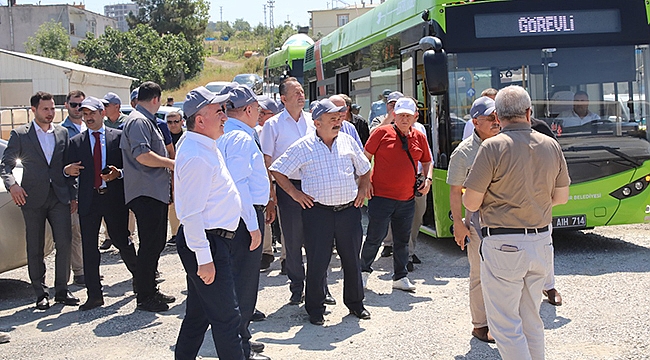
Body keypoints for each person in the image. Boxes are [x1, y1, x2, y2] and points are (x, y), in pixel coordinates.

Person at [462, 85, 570, 360]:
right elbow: (561, 197)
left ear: (497, 116)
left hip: (503, 243)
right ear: (528, 112)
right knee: (531, 318)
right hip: (541, 240)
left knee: (505, 324)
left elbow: (471, 203)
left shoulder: (492, 147)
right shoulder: (551, 145)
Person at [270, 99, 372, 326]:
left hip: (349, 211)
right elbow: (277, 169)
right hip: (318, 214)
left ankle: (356, 304)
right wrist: (295, 195)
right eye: (332, 118)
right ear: (317, 122)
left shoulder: (347, 141)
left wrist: (364, 187)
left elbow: (365, 168)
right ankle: (315, 309)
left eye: (339, 117)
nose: (338, 122)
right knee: (317, 261)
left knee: (352, 260)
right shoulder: (303, 146)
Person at [174, 86, 246, 360]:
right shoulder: (196, 155)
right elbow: (191, 214)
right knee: (227, 318)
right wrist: (204, 258)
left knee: (198, 314)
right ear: (200, 120)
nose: (225, 116)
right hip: (206, 242)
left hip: (211, 240)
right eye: (219, 111)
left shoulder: (203, 145)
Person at [0, 91, 79, 310]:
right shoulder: (20, 134)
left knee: (64, 242)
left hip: (59, 197)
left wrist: (73, 195)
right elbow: (5, 165)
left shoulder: (62, 133)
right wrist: (12, 185)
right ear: (33, 110)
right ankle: (40, 292)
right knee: (34, 246)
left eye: (53, 108)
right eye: (46, 109)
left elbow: (69, 167)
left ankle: (62, 290)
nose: (50, 113)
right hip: (32, 198)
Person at [64, 97, 138, 311]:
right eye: (84, 114)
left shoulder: (118, 137)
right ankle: (94, 295)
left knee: (121, 240)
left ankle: (140, 278)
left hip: (113, 198)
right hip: (89, 200)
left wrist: (119, 174)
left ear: (102, 114)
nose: (87, 118)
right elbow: (67, 171)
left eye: (92, 113)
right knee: (89, 247)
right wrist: (67, 171)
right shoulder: (76, 142)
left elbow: (130, 167)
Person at [216, 84, 270, 360]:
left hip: (234, 215)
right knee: (244, 283)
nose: (260, 111)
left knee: (237, 281)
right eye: (257, 107)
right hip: (243, 215)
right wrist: (252, 225)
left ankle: (241, 338)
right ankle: (240, 346)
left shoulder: (228, 133)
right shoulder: (240, 138)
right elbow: (239, 186)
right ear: (248, 109)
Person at [360, 97, 432, 292]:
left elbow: (427, 161)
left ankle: (400, 277)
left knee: (402, 239)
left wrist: (428, 179)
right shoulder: (381, 133)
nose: (404, 119)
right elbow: (364, 158)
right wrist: (364, 181)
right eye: (401, 115)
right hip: (381, 196)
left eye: (408, 116)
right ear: (394, 115)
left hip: (406, 198)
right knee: (375, 236)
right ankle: (363, 272)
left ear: (415, 117)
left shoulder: (419, 136)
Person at [447, 96, 501, 343]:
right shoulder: (463, 153)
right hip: (478, 224)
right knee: (479, 274)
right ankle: (480, 325)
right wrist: (458, 224)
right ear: (476, 122)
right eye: (490, 118)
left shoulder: (505, 143)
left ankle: (502, 322)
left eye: (498, 116)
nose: (496, 122)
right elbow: (455, 190)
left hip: (504, 221)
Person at [120, 81, 176, 312]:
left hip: (153, 191)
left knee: (154, 244)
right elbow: (143, 155)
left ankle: (150, 290)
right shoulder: (139, 121)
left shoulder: (143, 120)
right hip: (146, 191)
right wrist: (173, 164)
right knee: (150, 245)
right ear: (156, 99)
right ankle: (144, 296)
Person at [259, 77, 314, 305]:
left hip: (314, 187)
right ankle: (296, 286)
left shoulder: (313, 121)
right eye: (296, 92)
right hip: (287, 187)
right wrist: (272, 195)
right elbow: (267, 161)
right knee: (292, 241)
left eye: (302, 91)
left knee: (317, 240)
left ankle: (318, 287)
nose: (301, 95)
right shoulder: (273, 125)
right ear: (283, 99)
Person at [60, 90, 86, 286]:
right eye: (74, 104)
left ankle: (89, 268)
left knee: (89, 232)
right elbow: (60, 165)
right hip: (74, 189)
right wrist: (71, 195)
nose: (78, 108)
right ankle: (80, 271)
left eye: (81, 105)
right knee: (76, 231)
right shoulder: (61, 131)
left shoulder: (91, 126)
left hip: (93, 188)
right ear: (67, 105)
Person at [256, 95, 281, 272]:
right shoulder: (255, 132)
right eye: (259, 112)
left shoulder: (280, 129)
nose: (260, 116)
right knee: (265, 216)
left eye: (264, 113)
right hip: (264, 181)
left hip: (283, 179)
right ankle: (266, 252)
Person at [165, 111, 184, 246]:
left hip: (185, 174)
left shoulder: (186, 136)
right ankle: (175, 233)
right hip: (168, 174)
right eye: (170, 122)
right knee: (171, 205)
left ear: (182, 122)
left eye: (176, 121)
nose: (173, 125)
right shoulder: (164, 137)